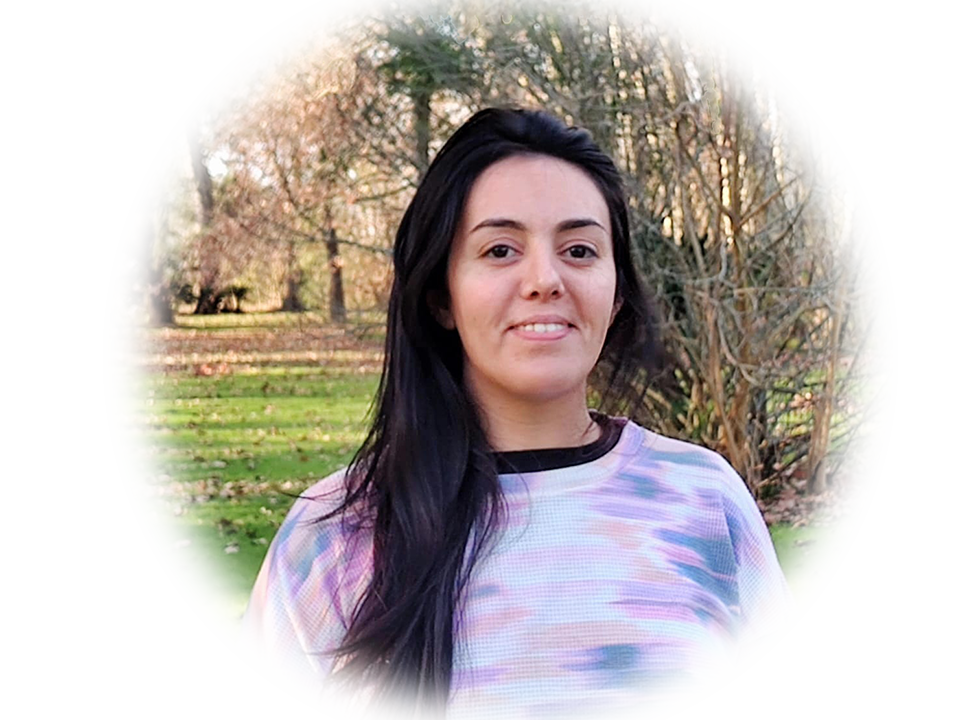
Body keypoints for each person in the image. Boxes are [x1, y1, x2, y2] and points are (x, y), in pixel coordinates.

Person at [221, 107, 815, 718]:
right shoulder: (337, 532)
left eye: (579, 250)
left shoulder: (705, 501)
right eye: (500, 249)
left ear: (616, 295)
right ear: (441, 296)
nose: (544, 279)